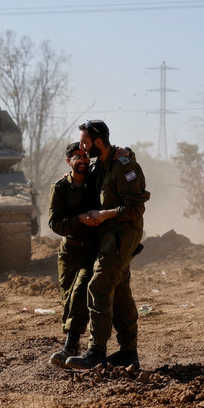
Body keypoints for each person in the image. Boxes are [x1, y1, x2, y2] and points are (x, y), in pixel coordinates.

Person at [66, 120, 150, 370]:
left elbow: (135, 207)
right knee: (121, 290)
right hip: (109, 238)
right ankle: (128, 353)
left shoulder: (123, 166)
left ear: (98, 141)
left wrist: (105, 214)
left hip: (122, 236)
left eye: (85, 142)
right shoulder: (101, 166)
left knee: (99, 286)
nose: (82, 147)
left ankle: (96, 352)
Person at [47, 141, 99, 367]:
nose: (83, 160)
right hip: (69, 251)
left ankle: (72, 345)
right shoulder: (59, 188)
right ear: (69, 161)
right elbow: (55, 224)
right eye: (77, 157)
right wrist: (79, 219)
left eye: (86, 156)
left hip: (91, 248)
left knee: (80, 292)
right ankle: (71, 343)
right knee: (68, 297)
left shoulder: (96, 182)